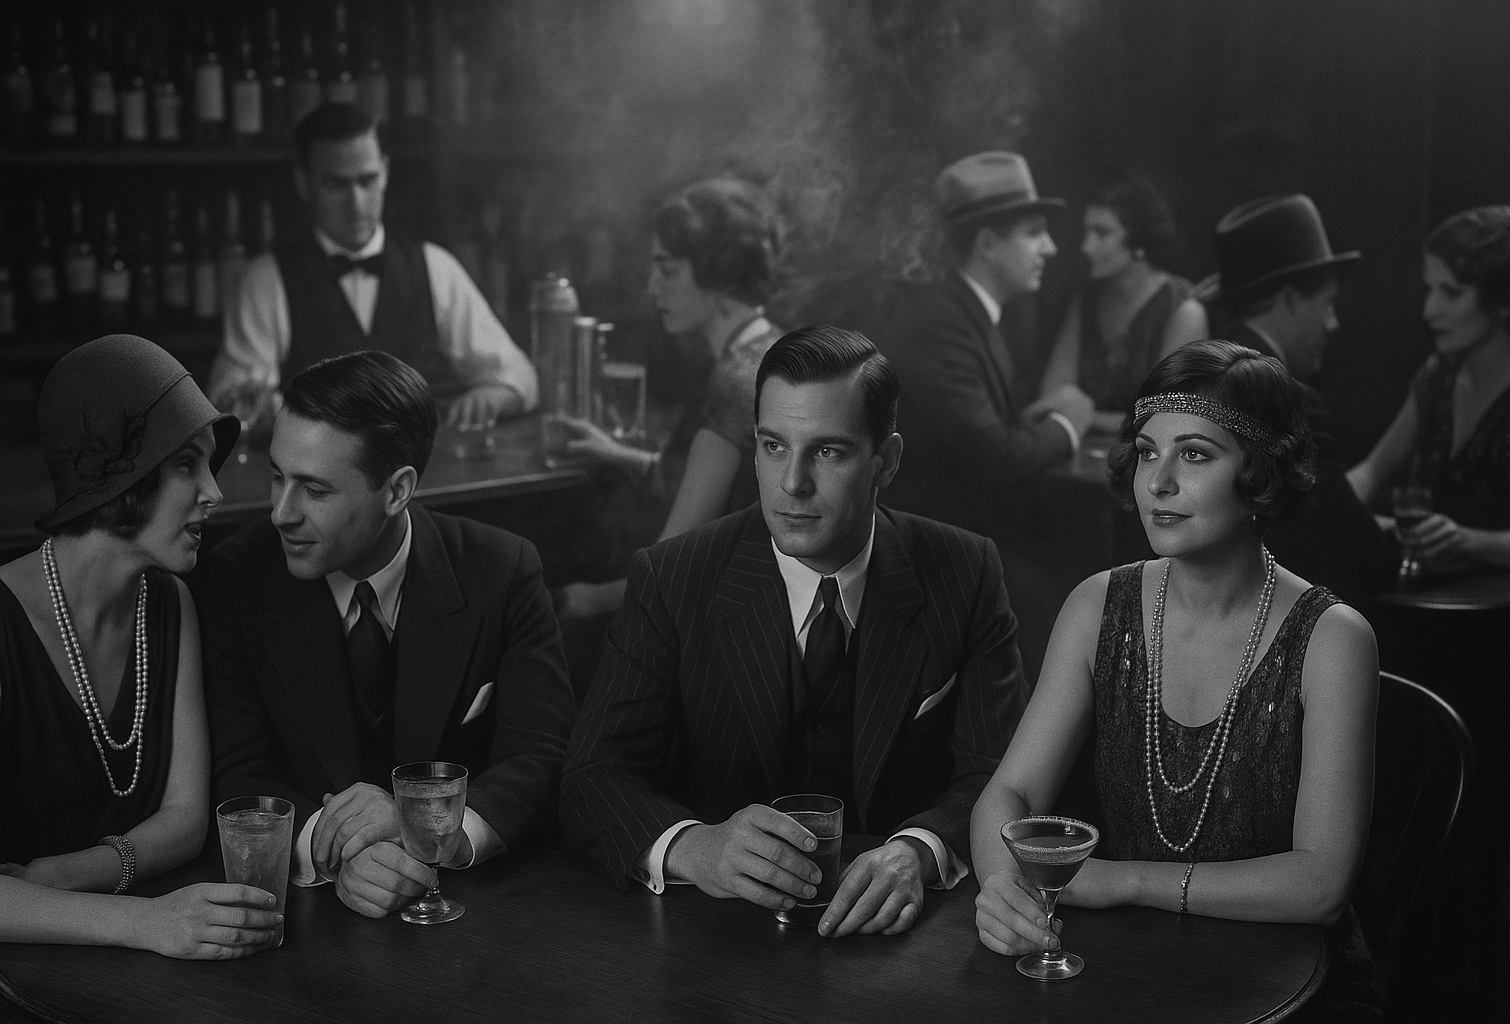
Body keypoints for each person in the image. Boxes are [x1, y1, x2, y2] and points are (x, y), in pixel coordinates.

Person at [561, 326, 1025, 938]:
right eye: (773, 446)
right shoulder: (674, 578)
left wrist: (916, 850)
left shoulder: (966, 571)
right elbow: (592, 776)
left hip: (904, 940)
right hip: (716, 940)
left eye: (827, 452)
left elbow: (998, 775)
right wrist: (694, 847)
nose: (791, 483)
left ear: (886, 461)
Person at [971, 340, 1379, 1019]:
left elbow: (1321, 883)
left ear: (1261, 474)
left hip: (1289, 990)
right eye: (1147, 451)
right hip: (1131, 967)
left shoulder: (1333, 639)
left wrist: (1122, 880)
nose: (1157, 483)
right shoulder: (1098, 604)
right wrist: (1002, 889)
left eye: (1194, 454)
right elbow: (1008, 793)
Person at [196, 350, 573, 920]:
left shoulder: (502, 569)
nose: (280, 513)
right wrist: (336, 843)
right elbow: (238, 771)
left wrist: (426, 828)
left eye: (314, 490)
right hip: (303, 923)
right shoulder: (234, 579)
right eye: (278, 477)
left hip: (475, 918)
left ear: (396, 491)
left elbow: (542, 756)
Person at [1, 334, 281, 959]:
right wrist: (144, 924)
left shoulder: (168, 604)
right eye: (187, 464)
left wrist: (71, 874)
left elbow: (184, 818)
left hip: (142, 948)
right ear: (117, 480)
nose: (215, 491)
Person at [207, 102, 536, 433]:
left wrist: (494, 394)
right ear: (304, 184)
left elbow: (519, 374)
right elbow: (231, 402)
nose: (357, 204)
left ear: (386, 173)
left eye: (367, 181)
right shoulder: (266, 281)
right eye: (336, 185)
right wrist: (259, 409)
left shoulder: (435, 267)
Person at [558, 178, 783, 622]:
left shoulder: (735, 383)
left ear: (716, 272)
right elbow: (719, 492)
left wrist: (583, 600)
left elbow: (672, 571)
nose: (651, 287)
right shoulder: (769, 349)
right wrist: (618, 454)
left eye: (667, 269)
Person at [880, 150, 1093, 535]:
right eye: (1034, 233)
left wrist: (1022, 422)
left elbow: (971, 437)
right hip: (931, 548)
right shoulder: (941, 325)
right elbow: (996, 462)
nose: (1051, 247)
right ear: (989, 245)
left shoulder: (972, 314)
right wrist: (1069, 421)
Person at [1200, 194, 1392, 605]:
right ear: (1289, 300)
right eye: (1326, 303)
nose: (1333, 322)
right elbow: (1364, 559)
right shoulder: (1289, 403)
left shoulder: (1196, 378)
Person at [1348, 205, 1510, 570]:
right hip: (1430, 598)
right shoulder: (1438, 376)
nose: (1430, 311)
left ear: (1505, 302)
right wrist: (1323, 503)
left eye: (1451, 293)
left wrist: (1467, 541)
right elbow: (1373, 471)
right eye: (1429, 290)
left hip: (1505, 611)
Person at [1040, 176, 1207, 432]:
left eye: (1102, 233)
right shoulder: (1087, 302)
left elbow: (1168, 418)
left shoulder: (1183, 311)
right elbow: (1053, 393)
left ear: (1139, 241)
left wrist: (1084, 418)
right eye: (1087, 231)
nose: (1086, 246)